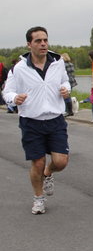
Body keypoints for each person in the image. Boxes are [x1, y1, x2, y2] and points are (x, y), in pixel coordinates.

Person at [2, 26, 71, 214]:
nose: (43, 44)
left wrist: (66, 89)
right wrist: (14, 99)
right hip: (31, 121)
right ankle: (38, 198)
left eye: (45, 40)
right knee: (37, 163)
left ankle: (48, 174)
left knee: (61, 162)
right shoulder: (19, 68)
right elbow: (7, 91)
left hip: (55, 119)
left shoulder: (57, 62)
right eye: (38, 41)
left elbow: (65, 81)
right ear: (29, 44)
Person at [61, 53, 77, 117]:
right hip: (72, 81)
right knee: (69, 95)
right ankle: (70, 111)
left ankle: (67, 111)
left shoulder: (63, 65)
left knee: (66, 97)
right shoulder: (71, 64)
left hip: (66, 81)